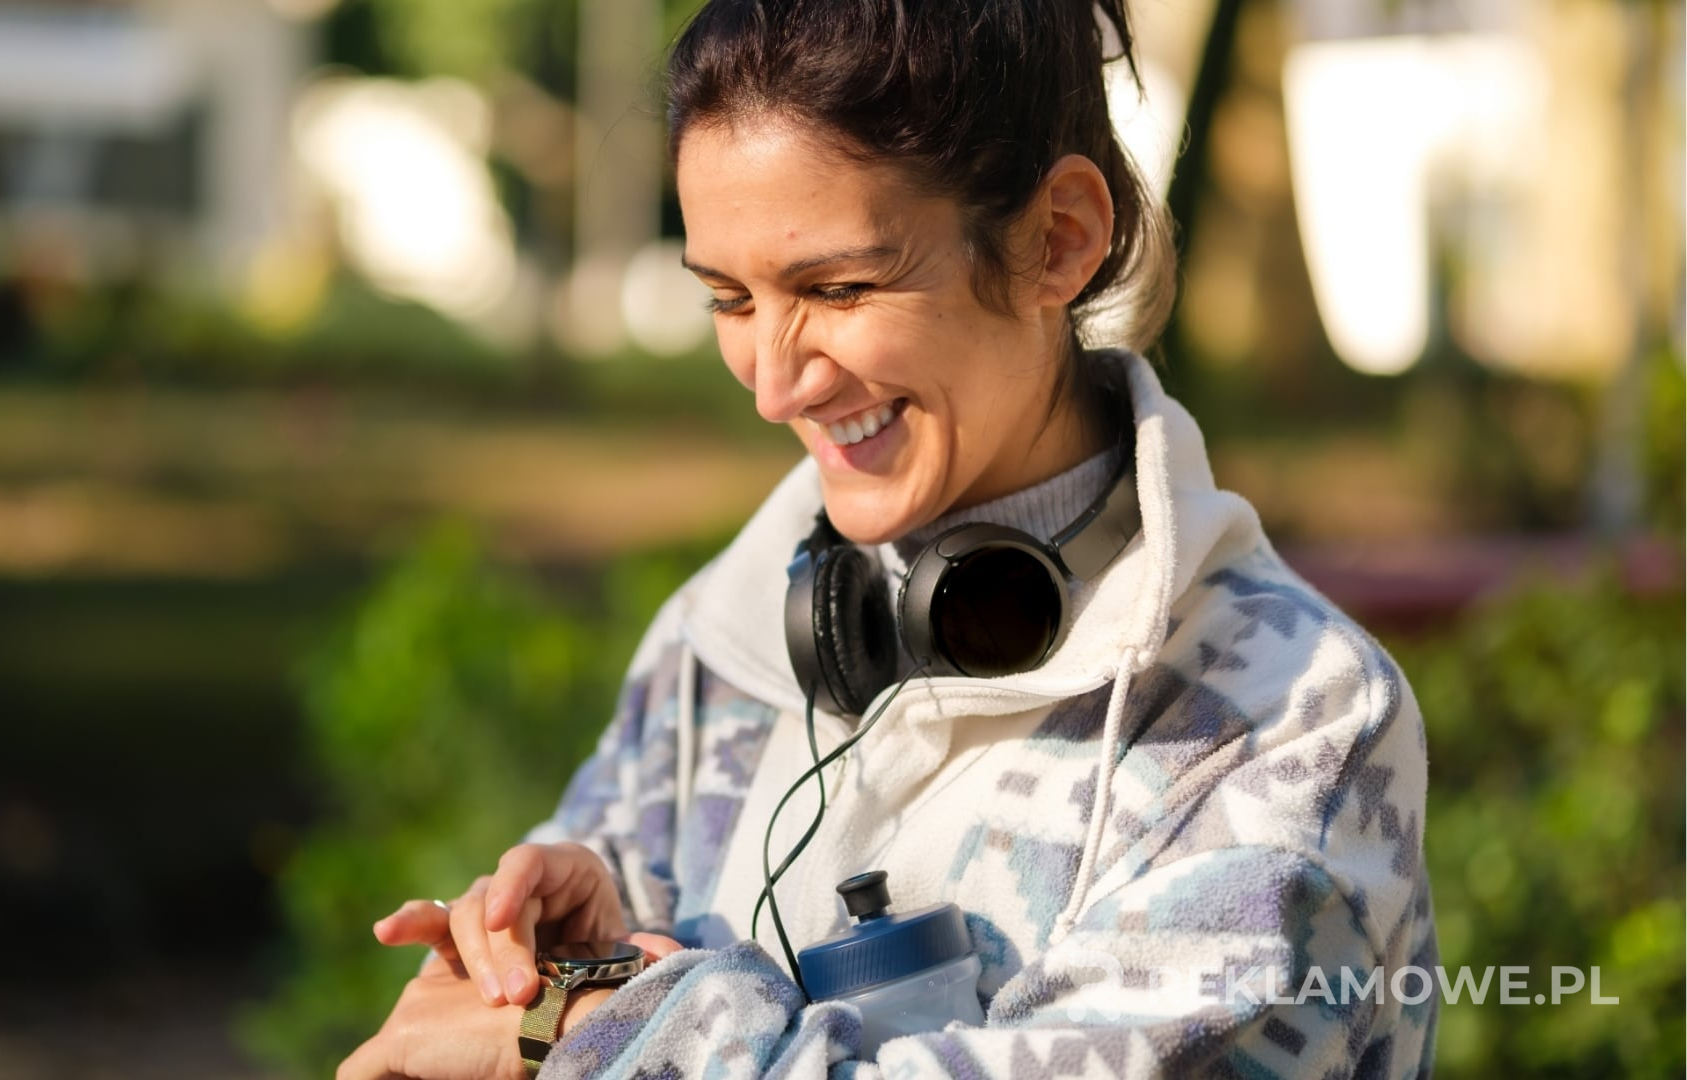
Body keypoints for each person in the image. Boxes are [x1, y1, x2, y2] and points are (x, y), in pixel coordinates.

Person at [339, 0, 1438, 1076]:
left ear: (1058, 240)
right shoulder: (719, 639)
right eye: (730, 298)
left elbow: (603, 1035)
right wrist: (554, 972)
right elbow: (558, 1013)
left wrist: (597, 1032)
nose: (774, 386)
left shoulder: (1289, 723)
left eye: (840, 287)